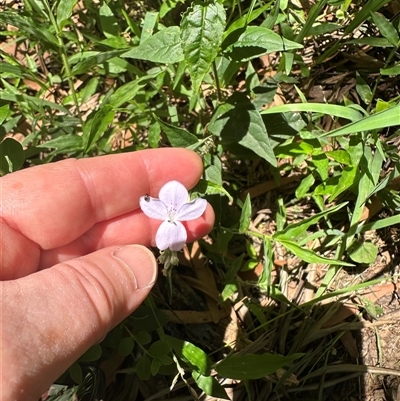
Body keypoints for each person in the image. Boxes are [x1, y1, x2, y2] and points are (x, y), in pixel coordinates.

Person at [0, 148, 214, 401]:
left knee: (168, 254)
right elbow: (150, 203)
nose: (170, 211)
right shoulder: (156, 210)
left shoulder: (177, 217)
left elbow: (194, 207)